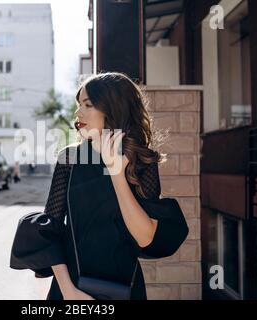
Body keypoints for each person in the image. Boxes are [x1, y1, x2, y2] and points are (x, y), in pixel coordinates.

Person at [10, 72, 188, 300]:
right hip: (70, 287)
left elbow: (145, 237)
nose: (78, 112)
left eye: (88, 104)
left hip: (124, 288)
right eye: (78, 104)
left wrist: (117, 175)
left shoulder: (142, 162)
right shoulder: (70, 158)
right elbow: (51, 231)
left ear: (113, 108)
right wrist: (69, 291)